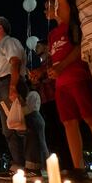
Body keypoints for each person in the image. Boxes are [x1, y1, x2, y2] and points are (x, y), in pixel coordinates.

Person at [33, 0, 92, 180]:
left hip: (78, 77)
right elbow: (54, 60)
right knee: (69, 122)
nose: (45, 11)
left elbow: (79, 48)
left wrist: (61, 67)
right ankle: (79, 168)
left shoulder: (74, 26)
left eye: (48, 7)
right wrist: (43, 72)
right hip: (61, 85)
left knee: (91, 118)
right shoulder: (52, 34)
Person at [0, 16, 28, 177]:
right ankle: (19, 164)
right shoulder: (0, 49)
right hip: (1, 86)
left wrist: (12, 86)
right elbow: (0, 73)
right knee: (9, 128)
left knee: (20, 124)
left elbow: (15, 62)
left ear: (0, 29)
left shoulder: (9, 42)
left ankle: (30, 164)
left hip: (9, 83)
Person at [29, 40, 73, 171]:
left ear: (47, 47)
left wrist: (41, 74)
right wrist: (35, 81)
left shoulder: (52, 60)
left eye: (39, 45)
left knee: (61, 130)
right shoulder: (41, 65)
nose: (36, 48)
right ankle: (59, 165)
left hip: (56, 97)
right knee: (52, 133)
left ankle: (69, 164)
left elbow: (52, 75)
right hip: (45, 101)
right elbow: (37, 85)